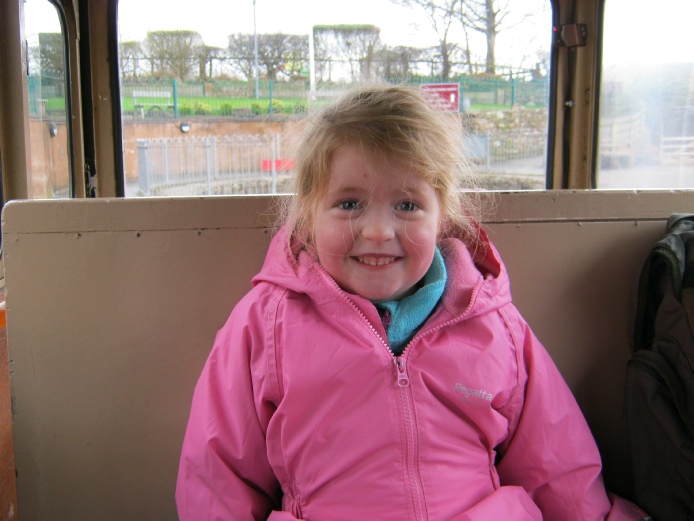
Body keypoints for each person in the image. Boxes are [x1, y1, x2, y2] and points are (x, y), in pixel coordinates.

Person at [176, 84, 648, 520]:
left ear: (442, 216)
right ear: (308, 213)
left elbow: (557, 464)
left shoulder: (493, 322)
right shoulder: (267, 324)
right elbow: (217, 476)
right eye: (349, 204)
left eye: (407, 205)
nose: (378, 231)